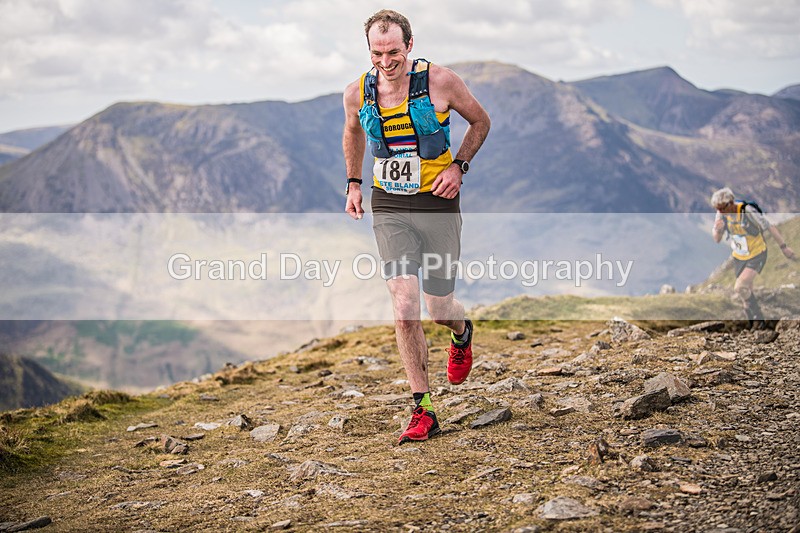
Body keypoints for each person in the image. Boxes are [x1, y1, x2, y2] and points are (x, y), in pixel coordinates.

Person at [342, 10, 490, 444]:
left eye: (393, 52)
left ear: (409, 45)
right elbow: (351, 132)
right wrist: (354, 182)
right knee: (404, 304)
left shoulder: (441, 81)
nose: (385, 62)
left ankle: (462, 332)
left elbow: (481, 121)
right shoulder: (357, 92)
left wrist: (459, 167)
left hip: (438, 202)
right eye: (376, 53)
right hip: (388, 203)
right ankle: (422, 408)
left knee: (437, 308)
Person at [711, 187, 795, 329]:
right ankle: (753, 323)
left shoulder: (747, 211)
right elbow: (717, 239)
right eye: (717, 209)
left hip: (757, 254)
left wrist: (784, 247)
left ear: (730, 202)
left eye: (722, 208)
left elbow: (769, 226)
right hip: (739, 256)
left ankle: (758, 319)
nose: (720, 212)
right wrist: (718, 229)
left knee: (740, 287)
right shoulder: (721, 215)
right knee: (746, 289)